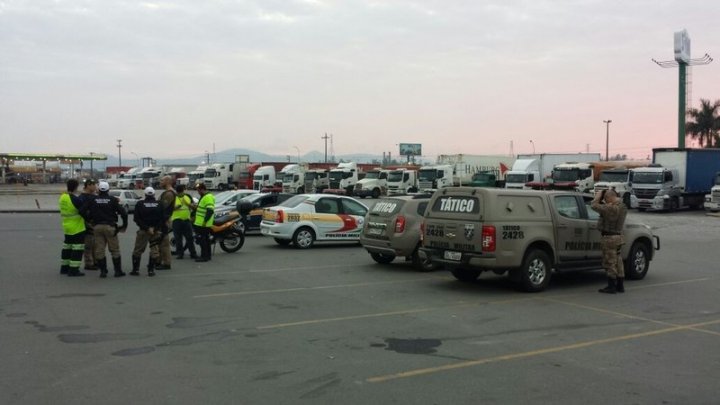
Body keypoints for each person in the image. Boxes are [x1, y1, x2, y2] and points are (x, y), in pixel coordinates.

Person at [81, 181, 128, 278]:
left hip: (97, 227)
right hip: (110, 226)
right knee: (114, 250)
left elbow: (81, 211)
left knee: (99, 250)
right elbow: (123, 213)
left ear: (98, 190)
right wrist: (124, 225)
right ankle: (117, 271)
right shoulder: (112, 200)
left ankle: (103, 271)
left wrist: (89, 220)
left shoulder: (93, 199)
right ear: (108, 190)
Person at [591, 188, 628, 294]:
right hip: (618, 236)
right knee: (618, 261)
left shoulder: (611, 208)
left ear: (609, 197)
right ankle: (620, 285)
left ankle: (611, 286)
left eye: (606, 199)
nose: (605, 201)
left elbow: (594, 206)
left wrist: (597, 197)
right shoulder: (622, 206)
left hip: (609, 238)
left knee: (610, 261)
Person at [131, 187, 165, 277]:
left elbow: (136, 219)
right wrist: (154, 228)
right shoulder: (159, 204)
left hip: (143, 231)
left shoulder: (140, 204)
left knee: (138, 250)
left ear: (145, 194)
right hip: (155, 231)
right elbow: (162, 219)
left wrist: (146, 228)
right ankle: (151, 270)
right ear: (154, 194)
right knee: (154, 250)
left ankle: (135, 270)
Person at [58, 179, 86, 277]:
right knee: (77, 249)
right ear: (76, 187)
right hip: (77, 227)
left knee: (67, 248)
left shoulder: (62, 197)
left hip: (66, 226)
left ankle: (64, 268)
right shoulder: (75, 199)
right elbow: (83, 211)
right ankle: (74, 270)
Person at [171, 184, 197, 260]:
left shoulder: (187, 196)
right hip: (177, 220)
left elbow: (194, 207)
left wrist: (188, 204)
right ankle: (180, 254)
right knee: (178, 238)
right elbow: (169, 208)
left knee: (189, 238)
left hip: (186, 220)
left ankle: (192, 253)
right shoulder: (173, 197)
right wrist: (176, 207)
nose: (182, 193)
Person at [156, 176, 176, 270]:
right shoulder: (167, 192)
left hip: (164, 220)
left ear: (168, 181)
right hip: (162, 219)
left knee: (164, 243)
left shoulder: (169, 193)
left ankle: (166, 263)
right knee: (160, 242)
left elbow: (162, 207)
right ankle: (159, 261)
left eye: (162, 180)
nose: (160, 182)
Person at [79, 179, 98, 270]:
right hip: (87, 223)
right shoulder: (82, 197)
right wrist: (88, 221)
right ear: (88, 185)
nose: (95, 187)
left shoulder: (94, 196)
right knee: (88, 245)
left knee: (95, 244)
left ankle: (95, 261)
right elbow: (81, 211)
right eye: (93, 185)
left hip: (95, 223)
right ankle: (89, 263)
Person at [193, 183, 215, 262]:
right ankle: (207, 256)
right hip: (201, 223)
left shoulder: (208, 197)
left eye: (198, 190)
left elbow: (210, 210)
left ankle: (204, 256)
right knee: (205, 240)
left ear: (202, 189)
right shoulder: (204, 197)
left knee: (203, 240)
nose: (198, 192)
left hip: (203, 224)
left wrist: (205, 221)